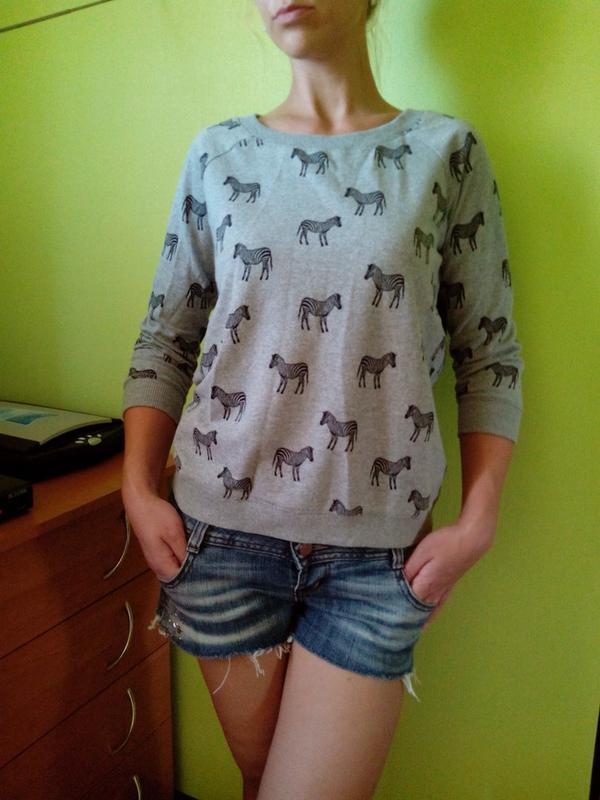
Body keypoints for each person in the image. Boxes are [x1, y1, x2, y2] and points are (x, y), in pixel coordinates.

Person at [121, 1, 524, 798]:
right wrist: (136, 489)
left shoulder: (445, 153)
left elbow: (489, 352)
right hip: (218, 544)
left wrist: (479, 519)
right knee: (261, 781)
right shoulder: (218, 154)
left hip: (377, 561)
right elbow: (166, 337)